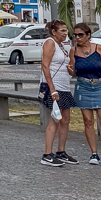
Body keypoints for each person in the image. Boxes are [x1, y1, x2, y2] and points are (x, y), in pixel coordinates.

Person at [69, 22, 101, 165]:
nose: (77, 38)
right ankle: (94, 154)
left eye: (80, 35)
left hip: (99, 85)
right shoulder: (73, 51)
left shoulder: (99, 48)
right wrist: (70, 71)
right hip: (83, 86)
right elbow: (73, 72)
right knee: (88, 121)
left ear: (88, 35)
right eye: (75, 35)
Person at [39, 20, 77, 166]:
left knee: (65, 119)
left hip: (64, 85)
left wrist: (70, 70)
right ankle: (47, 154)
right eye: (62, 30)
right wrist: (52, 88)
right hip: (54, 86)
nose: (65, 33)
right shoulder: (50, 43)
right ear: (54, 32)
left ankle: (61, 151)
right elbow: (45, 66)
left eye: (66, 30)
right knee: (54, 119)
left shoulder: (62, 45)